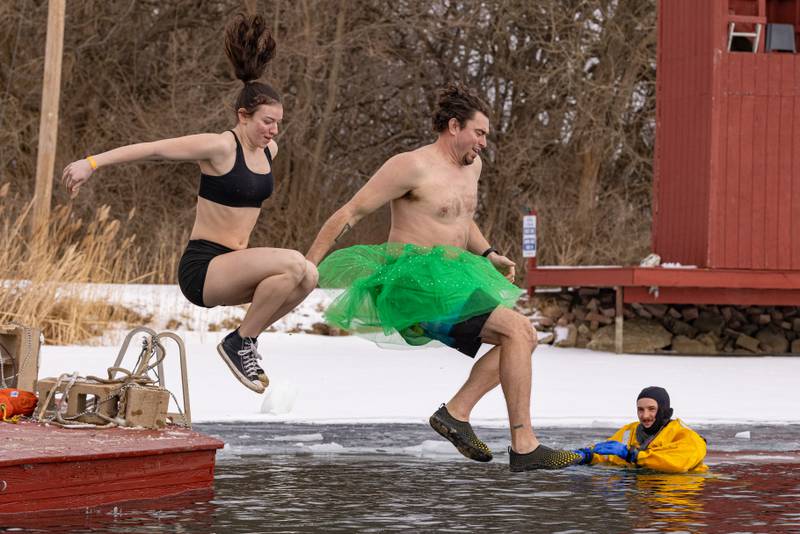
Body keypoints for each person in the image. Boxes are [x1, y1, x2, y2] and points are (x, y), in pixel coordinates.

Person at [306, 83, 580, 472]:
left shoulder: (473, 167)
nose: (483, 142)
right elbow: (351, 212)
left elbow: (460, 218)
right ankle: (523, 445)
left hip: (452, 280)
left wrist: (488, 253)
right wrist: (309, 265)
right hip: (414, 283)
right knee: (518, 331)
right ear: (454, 126)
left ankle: (457, 413)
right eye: (479, 132)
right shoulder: (411, 166)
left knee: (524, 338)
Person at [60, 14, 317, 394]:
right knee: (295, 261)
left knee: (308, 276)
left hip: (236, 269)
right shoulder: (219, 146)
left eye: (277, 123)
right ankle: (238, 343)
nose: (273, 130)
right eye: (266, 121)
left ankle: (245, 341)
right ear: (242, 116)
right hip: (204, 268)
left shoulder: (270, 152)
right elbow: (155, 148)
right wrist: (92, 162)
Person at [573, 386, 708, 473]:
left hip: (674, 500)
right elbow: (609, 454)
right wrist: (588, 456)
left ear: (663, 410)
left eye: (651, 409)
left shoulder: (687, 436)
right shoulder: (630, 430)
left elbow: (678, 464)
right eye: (640, 410)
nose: (645, 416)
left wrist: (634, 455)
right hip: (641, 493)